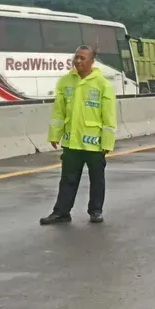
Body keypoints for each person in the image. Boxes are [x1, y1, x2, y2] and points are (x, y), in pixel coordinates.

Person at [40, 46, 118, 226]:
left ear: (92, 61)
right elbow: (59, 112)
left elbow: (109, 116)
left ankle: (95, 210)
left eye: (83, 58)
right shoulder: (65, 82)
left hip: (95, 143)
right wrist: (55, 135)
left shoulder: (103, 85)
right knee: (68, 178)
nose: (78, 61)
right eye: (76, 57)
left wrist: (107, 142)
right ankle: (61, 212)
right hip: (72, 141)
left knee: (97, 178)